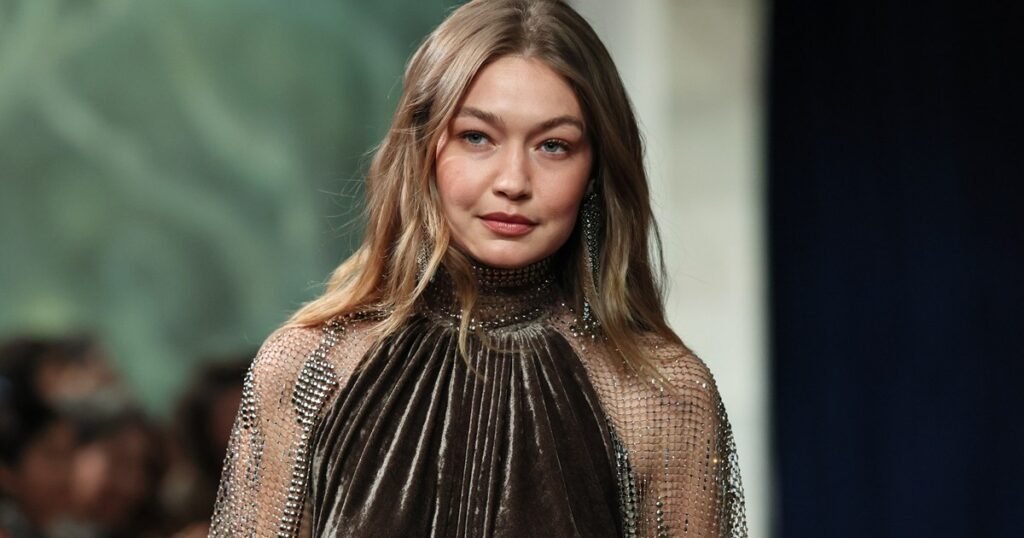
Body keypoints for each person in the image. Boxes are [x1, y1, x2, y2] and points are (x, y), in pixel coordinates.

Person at [210, 0, 747, 536]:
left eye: (553, 146)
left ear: (595, 171)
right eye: (477, 137)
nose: (513, 181)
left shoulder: (660, 397)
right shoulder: (307, 371)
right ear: (424, 149)